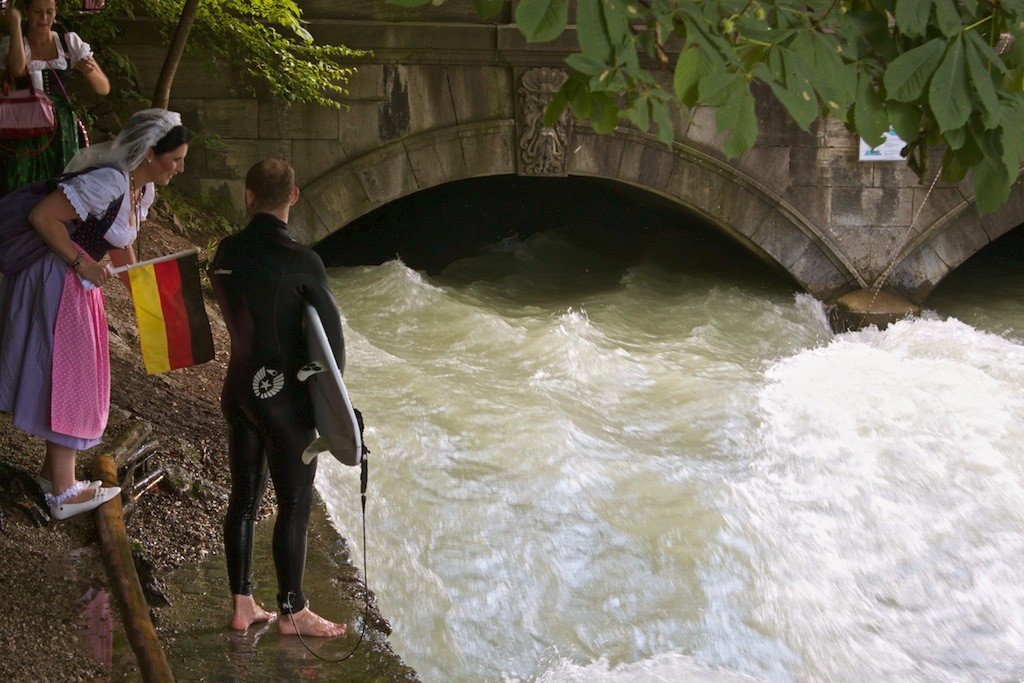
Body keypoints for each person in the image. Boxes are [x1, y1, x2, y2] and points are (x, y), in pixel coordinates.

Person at [0, 108, 189, 520]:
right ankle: (64, 495)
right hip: (56, 274)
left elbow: (118, 245)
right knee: (70, 373)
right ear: (150, 153)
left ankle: (54, 477)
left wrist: (150, 303)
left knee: (78, 373)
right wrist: (79, 263)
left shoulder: (141, 191)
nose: (180, 167)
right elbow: (43, 217)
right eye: (175, 159)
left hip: (77, 281)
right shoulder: (109, 180)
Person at [210, 158, 347, 637]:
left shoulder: (224, 252)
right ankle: (292, 610)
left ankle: (242, 603)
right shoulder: (303, 261)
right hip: (283, 398)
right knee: (293, 500)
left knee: (243, 499)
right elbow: (331, 347)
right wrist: (331, 409)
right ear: (293, 196)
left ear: (248, 197)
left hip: (239, 390)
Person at [1, 0, 110, 195]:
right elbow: (17, 69)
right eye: (37, 12)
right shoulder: (13, 43)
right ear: (26, 11)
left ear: (56, 12)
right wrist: (15, 26)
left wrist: (91, 73)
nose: (44, 18)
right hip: (25, 126)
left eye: (49, 12)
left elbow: (103, 88)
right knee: (21, 180)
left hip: (62, 128)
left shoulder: (69, 42)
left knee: (59, 183)